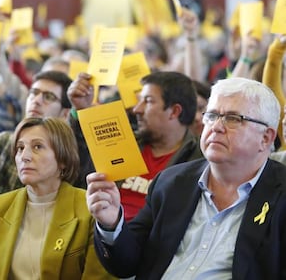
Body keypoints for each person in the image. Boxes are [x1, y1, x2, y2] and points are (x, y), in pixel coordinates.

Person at [86, 77, 285, 279]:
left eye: (233, 118)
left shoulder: (281, 193)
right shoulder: (171, 181)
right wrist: (112, 224)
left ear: (266, 138)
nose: (216, 126)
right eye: (212, 115)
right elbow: (127, 264)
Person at [0, 117, 116, 280]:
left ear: (63, 159)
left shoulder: (90, 210)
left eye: (37, 147)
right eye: (20, 148)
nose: (24, 156)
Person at [68, 71, 203, 219]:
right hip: (96, 231)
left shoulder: (199, 162)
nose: (137, 109)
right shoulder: (123, 141)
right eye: (140, 100)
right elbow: (77, 164)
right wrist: (79, 111)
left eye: (148, 101)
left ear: (174, 111)